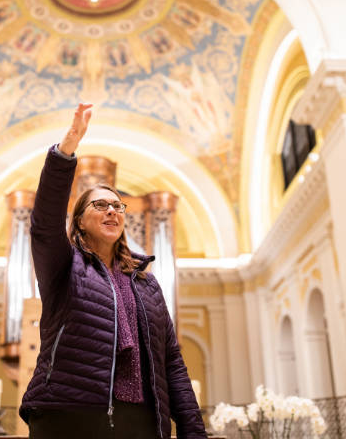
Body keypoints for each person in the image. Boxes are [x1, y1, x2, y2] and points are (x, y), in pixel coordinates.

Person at [19, 103, 207, 439]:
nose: (112, 211)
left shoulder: (147, 286)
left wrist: (194, 431)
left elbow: (172, 364)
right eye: (100, 204)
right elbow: (44, 225)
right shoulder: (65, 267)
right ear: (79, 220)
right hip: (68, 416)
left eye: (118, 206)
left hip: (139, 421)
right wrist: (65, 153)